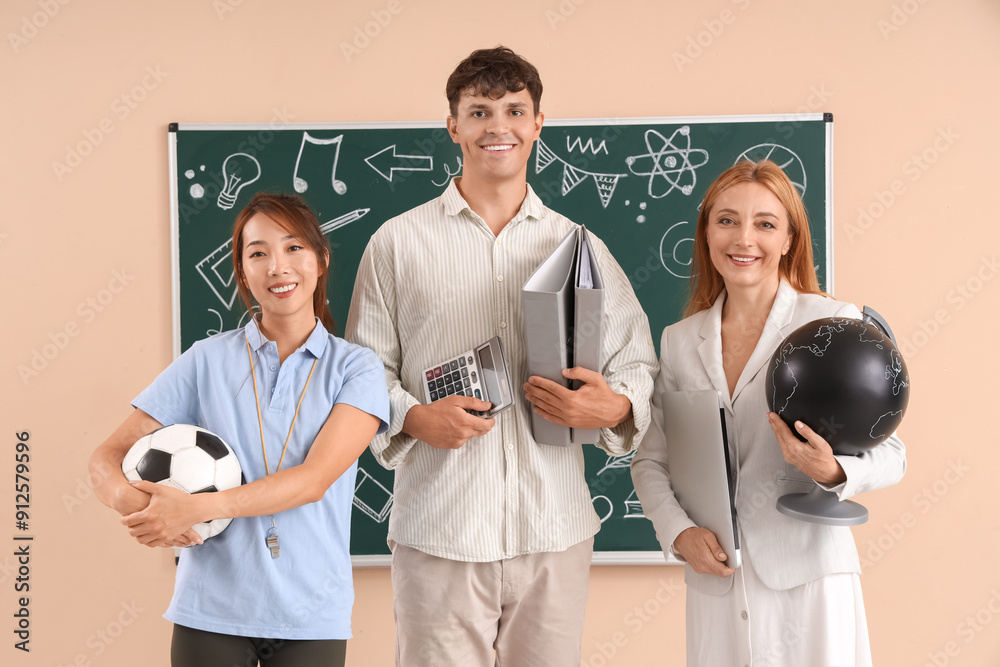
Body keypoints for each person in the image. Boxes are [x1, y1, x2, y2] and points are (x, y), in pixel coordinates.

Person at [345, 46, 656, 666]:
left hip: (553, 530)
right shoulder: (397, 243)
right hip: (440, 529)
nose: (498, 126)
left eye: (515, 110)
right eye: (479, 111)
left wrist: (614, 404)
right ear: (454, 126)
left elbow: (638, 361)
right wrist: (414, 417)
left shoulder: (578, 245)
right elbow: (359, 370)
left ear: (538, 123)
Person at [89, 193, 390, 667]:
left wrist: (195, 508)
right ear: (243, 270)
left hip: (311, 616)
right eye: (258, 253)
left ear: (321, 258)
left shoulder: (358, 369)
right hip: (209, 614)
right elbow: (105, 459)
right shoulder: (205, 359)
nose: (278, 267)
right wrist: (143, 509)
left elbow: (313, 482)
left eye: (294, 248)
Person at [631, 159, 907, 666]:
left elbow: (892, 452)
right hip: (718, 582)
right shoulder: (679, 340)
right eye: (727, 220)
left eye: (765, 223)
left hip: (809, 580)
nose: (743, 239)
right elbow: (651, 461)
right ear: (707, 233)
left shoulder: (832, 322)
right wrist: (678, 532)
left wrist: (835, 470)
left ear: (788, 241)